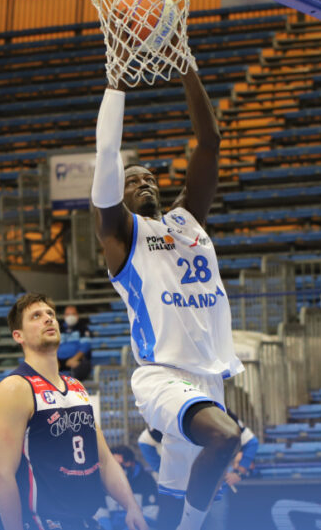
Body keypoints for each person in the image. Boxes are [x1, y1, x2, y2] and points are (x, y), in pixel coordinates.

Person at [91, 59, 244, 530]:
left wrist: (187, 68)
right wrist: (117, 84)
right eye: (133, 180)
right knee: (226, 438)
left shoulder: (186, 221)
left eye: (151, 177)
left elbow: (211, 142)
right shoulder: (121, 233)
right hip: (160, 375)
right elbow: (106, 155)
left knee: (174, 491)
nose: (145, 182)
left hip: (209, 377)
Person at [0, 293, 147, 530]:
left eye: (50, 314)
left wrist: (132, 506)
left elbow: (104, 460)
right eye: (36, 316)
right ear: (17, 335)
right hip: (43, 521)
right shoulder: (14, 388)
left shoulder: (76, 387)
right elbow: (2, 474)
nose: (48, 319)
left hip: (86, 520)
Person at [96, 446, 159, 530]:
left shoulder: (146, 480)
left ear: (132, 463)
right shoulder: (104, 482)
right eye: (115, 465)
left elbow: (151, 515)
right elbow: (101, 515)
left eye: (123, 463)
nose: (119, 469)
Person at [58, 304, 93, 381]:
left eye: (73, 314)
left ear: (77, 315)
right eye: (68, 314)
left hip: (76, 360)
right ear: (64, 316)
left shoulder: (83, 328)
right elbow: (53, 346)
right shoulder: (59, 329)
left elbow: (85, 346)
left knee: (83, 365)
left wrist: (74, 359)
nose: (70, 316)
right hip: (59, 362)